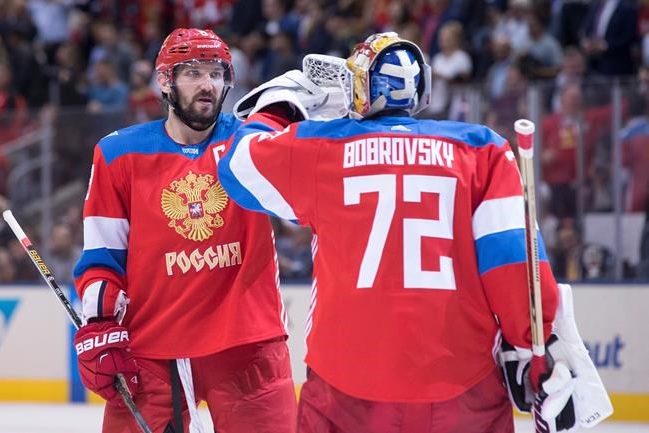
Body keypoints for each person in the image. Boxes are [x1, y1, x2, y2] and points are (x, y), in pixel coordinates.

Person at [218, 32, 610, 432]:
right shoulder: (481, 150)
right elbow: (514, 260)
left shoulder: (322, 147)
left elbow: (238, 167)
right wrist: (536, 347)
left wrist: (281, 105)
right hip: (463, 383)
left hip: (347, 384)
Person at [72, 28, 296, 433]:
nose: (208, 84)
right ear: (164, 81)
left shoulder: (252, 144)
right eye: (193, 72)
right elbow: (102, 255)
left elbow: (301, 205)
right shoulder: (119, 153)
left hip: (247, 345)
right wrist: (101, 323)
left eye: (216, 73)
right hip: (153, 351)